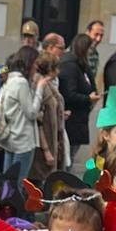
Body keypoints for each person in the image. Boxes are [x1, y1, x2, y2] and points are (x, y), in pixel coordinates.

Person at [0, 46, 43, 186]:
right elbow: (31, 113)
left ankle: (5, 206)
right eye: (35, 63)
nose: (36, 67)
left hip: (10, 138)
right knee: (18, 184)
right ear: (29, 63)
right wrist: (40, 88)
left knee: (7, 182)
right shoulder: (21, 83)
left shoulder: (9, 80)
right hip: (23, 140)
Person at [60, 32, 99, 176]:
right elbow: (69, 94)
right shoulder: (70, 66)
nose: (91, 52)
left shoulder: (82, 67)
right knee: (66, 161)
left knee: (70, 158)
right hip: (72, 121)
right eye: (89, 49)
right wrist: (88, 98)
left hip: (79, 120)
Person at [31, 50, 66, 183]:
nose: (58, 71)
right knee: (40, 183)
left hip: (53, 141)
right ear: (50, 69)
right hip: (43, 147)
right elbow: (38, 119)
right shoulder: (39, 85)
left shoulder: (49, 84)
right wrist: (46, 150)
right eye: (56, 67)